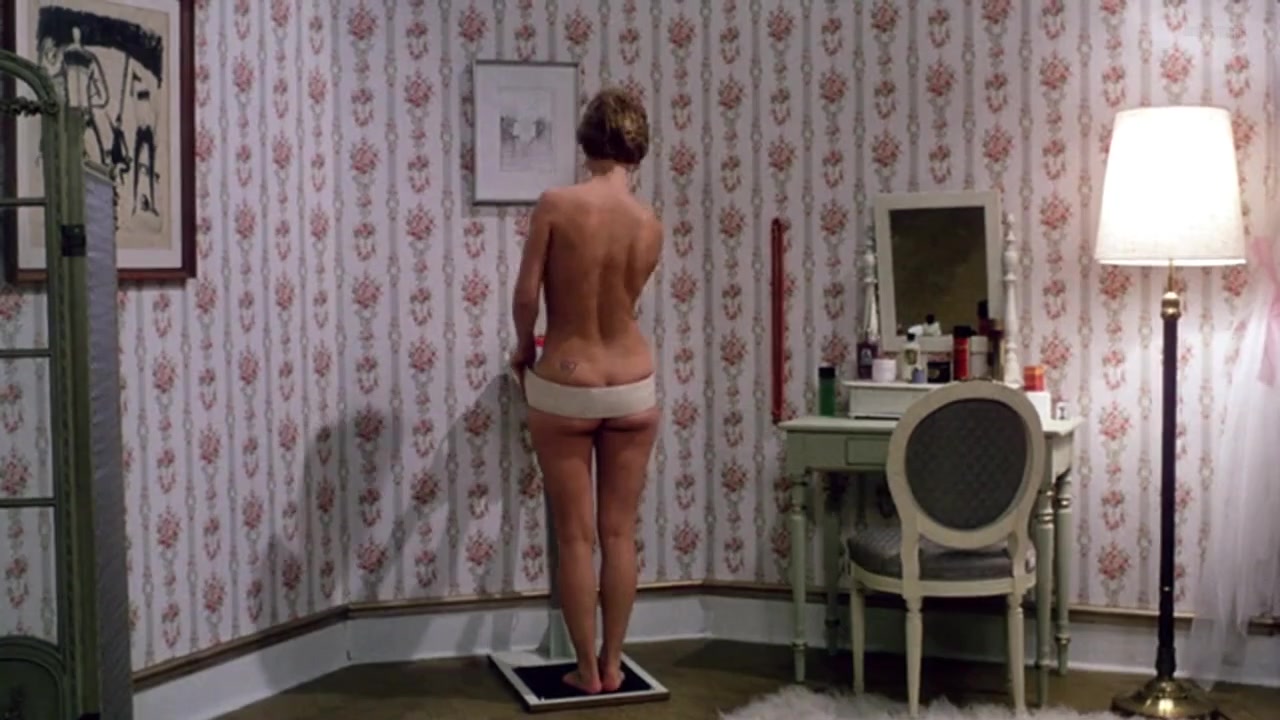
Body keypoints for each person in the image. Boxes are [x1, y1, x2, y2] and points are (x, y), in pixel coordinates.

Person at [508, 87, 661, 696]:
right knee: (619, 533)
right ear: (638, 148)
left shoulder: (556, 204)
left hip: (567, 382)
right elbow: (626, 299)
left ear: (585, 141)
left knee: (576, 535)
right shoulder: (649, 223)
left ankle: (586, 670)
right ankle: (616, 663)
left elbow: (527, 296)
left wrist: (524, 349)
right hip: (633, 385)